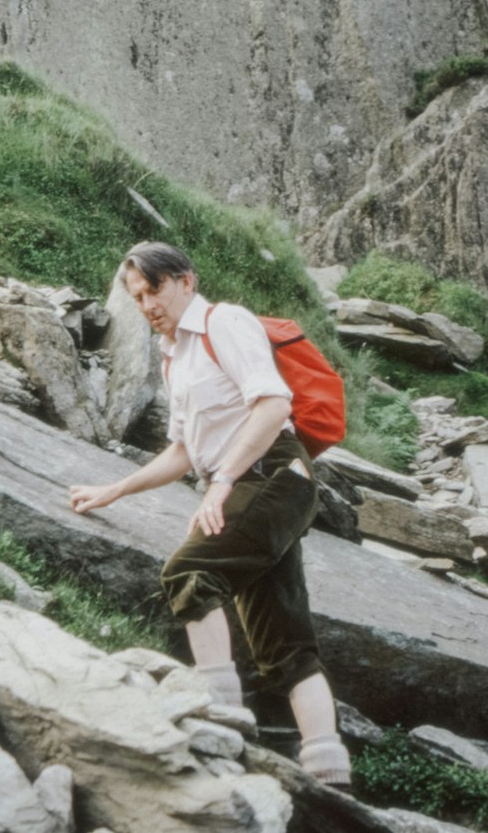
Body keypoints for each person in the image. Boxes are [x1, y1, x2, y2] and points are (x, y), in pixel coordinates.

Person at [69, 241, 352, 789]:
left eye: (154, 289)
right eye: (137, 296)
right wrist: (116, 489)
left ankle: (217, 715)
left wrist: (220, 484)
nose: (147, 304)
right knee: (287, 647)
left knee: (190, 575)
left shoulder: (225, 323)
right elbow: (182, 452)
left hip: (270, 474)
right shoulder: (174, 355)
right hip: (252, 485)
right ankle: (331, 774)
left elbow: (273, 405)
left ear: (185, 282)